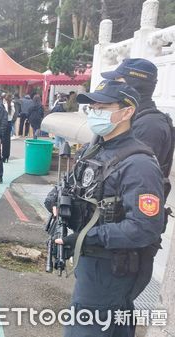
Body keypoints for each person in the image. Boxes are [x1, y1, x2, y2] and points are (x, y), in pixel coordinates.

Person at [49, 80, 164, 336]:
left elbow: (145, 228)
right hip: (92, 263)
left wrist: (86, 237)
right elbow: (72, 183)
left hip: (111, 267)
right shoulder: (96, 148)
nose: (95, 112)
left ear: (127, 111)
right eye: (93, 107)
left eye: (103, 106)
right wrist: (55, 199)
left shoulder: (139, 164)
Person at [101, 58, 174, 199]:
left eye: (117, 81)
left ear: (133, 85)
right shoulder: (132, 117)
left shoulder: (150, 125)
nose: (111, 86)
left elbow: (136, 175)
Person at [0, 93, 15, 183]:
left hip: (3, 123)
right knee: (7, 141)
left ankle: (3, 156)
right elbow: (13, 114)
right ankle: (6, 156)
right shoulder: (12, 105)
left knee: (1, 141)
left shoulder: (2, 106)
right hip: (9, 123)